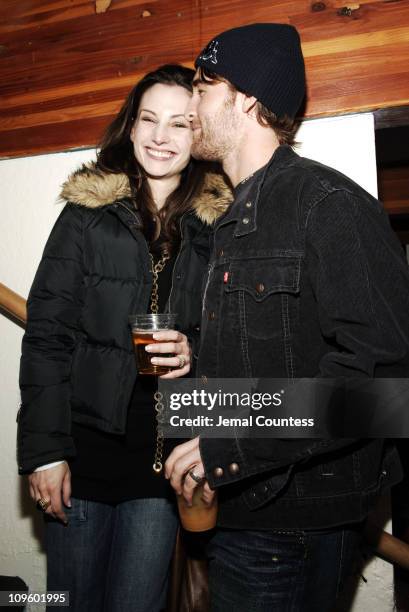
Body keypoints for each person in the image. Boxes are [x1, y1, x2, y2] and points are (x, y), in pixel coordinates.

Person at [165, 24, 409, 611]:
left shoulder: (327, 204)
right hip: (242, 511)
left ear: (245, 98)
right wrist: (187, 414)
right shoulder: (230, 220)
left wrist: (230, 443)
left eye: (202, 86)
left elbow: (380, 387)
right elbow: (265, 362)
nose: (189, 103)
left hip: (291, 528)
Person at [18, 64, 231, 611]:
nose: (161, 137)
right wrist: (45, 454)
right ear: (130, 126)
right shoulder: (86, 216)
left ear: (199, 134)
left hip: (162, 458)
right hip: (82, 453)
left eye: (180, 124)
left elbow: (237, 337)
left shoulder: (217, 226)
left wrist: (196, 350)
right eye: (148, 120)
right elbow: (45, 336)